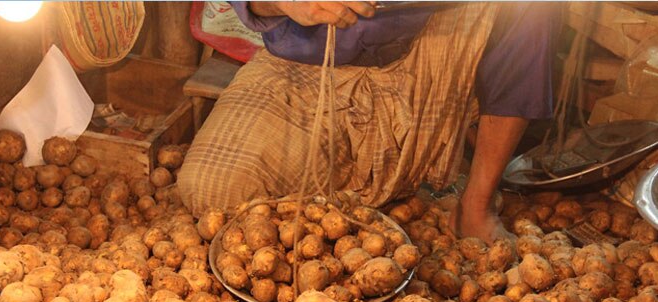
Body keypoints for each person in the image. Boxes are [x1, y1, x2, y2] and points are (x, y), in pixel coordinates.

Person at [178, 1, 561, 245]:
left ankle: (471, 205)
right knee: (210, 190)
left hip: (429, 67)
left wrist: (478, 205)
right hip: (307, 72)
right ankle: (368, 190)